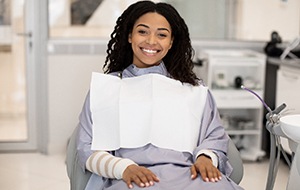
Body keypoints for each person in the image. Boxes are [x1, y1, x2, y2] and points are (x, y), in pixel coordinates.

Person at [76, 1, 244, 189]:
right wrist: (123, 168)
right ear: (130, 35)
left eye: (162, 35)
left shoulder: (194, 91)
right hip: (130, 178)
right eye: (143, 31)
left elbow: (214, 135)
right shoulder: (106, 89)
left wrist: (206, 158)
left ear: (171, 42)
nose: (151, 41)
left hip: (191, 175)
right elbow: (87, 147)